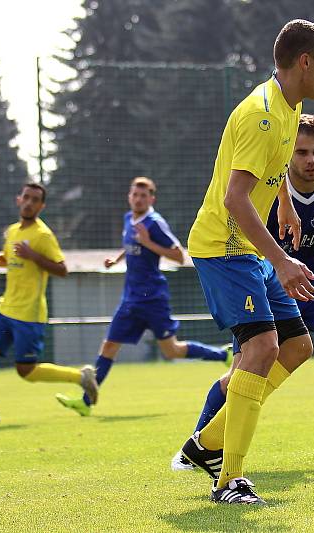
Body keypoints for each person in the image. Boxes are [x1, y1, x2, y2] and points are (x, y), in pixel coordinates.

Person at [172, 114, 314, 472]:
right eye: (302, 152)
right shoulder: (265, 187)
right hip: (263, 276)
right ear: (287, 153)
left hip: (313, 279)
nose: (311, 160)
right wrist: (278, 263)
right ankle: (197, 447)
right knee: (241, 374)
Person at [178, 20, 314, 505]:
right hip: (225, 248)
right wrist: (284, 261)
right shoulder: (261, 115)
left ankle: (205, 445)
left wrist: (286, 202)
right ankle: (229, 480)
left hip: (250, 250)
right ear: (304, 62)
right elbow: (235, 199)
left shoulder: (292, 106)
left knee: (296, 346)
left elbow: (274, 168)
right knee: (262, 347)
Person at [56, 177, 231, 417]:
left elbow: (178, 256)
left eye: (143, 196)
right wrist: (116, 260)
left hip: (153, 298)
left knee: (172, 351)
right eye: (134, 195)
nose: (138, 199)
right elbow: (131, 246)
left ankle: (222, 354)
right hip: (130, 298)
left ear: (151, 199)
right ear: (129, 197)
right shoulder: (129, 219)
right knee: (108, 346)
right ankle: (86, 402)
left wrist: (148, 242)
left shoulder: (155, 223)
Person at [0, 182, 98, 426]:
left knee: (25, 370)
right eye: (26, 197)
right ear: (19, 199)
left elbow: (62, 269)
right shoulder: (13, 231)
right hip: (5, 308)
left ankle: (80, 376)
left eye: (35, 199)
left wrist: (34, 256)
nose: (29, 202)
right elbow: (7, 260)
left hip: (29, 313)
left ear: (41, 205)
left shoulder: (43, 235)